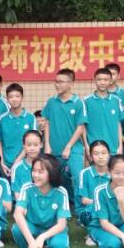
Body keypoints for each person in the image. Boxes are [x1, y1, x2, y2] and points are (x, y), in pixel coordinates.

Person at [12, 154, 71, 248]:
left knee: (60, 246)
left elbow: (61, 224)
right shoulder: (27, 188)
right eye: (34, 170)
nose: (35, 175)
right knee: (17, 228)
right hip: (33, 227)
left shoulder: (61, 192)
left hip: (52, 229)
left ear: (52, 173)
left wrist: (41, 238)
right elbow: (17, 214)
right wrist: (31, 241)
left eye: (40, 172)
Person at [42, 68, 87, 207]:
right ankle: (65, 203)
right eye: (56, 81)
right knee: (58, 178)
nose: (57, 84)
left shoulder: (78, 103)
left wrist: (68, 146)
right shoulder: (51, 102)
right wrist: (47, 144)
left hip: (74, 149)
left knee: (77, 176)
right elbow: (47, 122)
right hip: (54, 149)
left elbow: (80, 127)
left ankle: (80, 210)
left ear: (71, 83)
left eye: (61, 82)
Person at [0, 83, 36, 176]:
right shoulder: (2, 119)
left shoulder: (30, 117)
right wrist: (1, 163)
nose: (14, 99)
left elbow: (32, 142)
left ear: (22, 97)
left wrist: (17, 163)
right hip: (5, 165)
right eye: (11, 97)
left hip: (26, 163)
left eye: (17, 96)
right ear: (7, 99)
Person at [84, 67, 124, 157]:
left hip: (113, 149)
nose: (102, 82)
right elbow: (83, 126)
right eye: (99, 79)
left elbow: (118, 124)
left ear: (110, 81)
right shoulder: (86, 101)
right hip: (94, 150)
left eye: (106, 80)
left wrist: (120, 146)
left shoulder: (117, 100)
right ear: (94, 80)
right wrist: (86, 146)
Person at [77, 140, 111, 243]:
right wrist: (102, 204)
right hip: (89, 210)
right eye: (96, 154)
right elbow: (84, 200)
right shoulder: (85, 173)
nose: (100, 157)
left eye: (104, 153)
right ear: (91, 156)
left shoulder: (114, 173)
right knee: (94, 208)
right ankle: (92, 233)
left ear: (109, 155)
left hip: (109, 209)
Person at [10, 130, 43, 200]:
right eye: (29, 145)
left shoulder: (47, 165)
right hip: (24, 204)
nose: (32, 148)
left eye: (35, 145)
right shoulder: (17, 168)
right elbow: (17, 194)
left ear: (41, 145)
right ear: (24, 146)